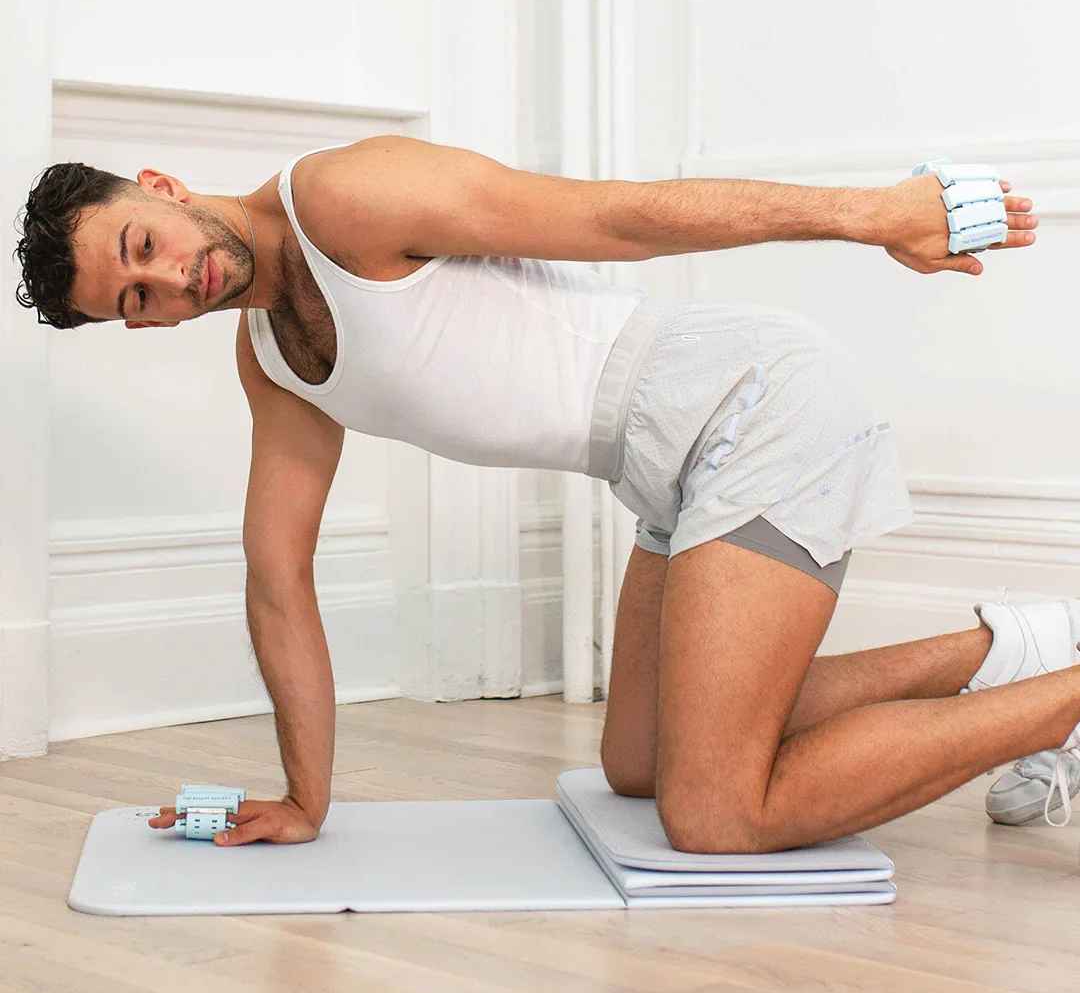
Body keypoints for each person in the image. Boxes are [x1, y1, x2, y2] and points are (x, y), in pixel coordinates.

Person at [14, 137, 1073, 855]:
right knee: (639, 765)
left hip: (749, 402)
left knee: (713, 812)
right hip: (667, 460)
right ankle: (1013, 654)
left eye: (141, 248)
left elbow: (620, 219)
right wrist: (305, 799)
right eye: (134, 303)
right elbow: (277, 576)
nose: (166, 284)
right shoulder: (275, 360)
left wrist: (872, 213)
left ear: (156, 187)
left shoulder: (342, 198)